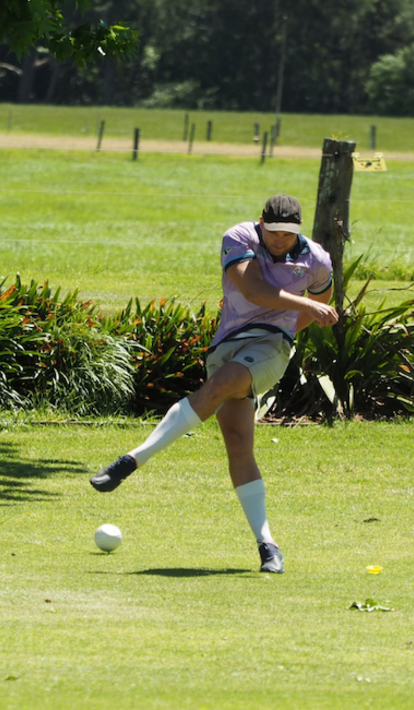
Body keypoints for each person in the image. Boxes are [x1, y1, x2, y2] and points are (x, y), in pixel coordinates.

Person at [90, 193, 339, 573]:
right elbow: (253, 290)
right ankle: (268, 546)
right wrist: (305, 306)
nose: (278, 240)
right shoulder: (239, 238)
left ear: (298, 231)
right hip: (227, 344)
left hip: (270, 348)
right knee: (239, 445)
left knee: (224, 383)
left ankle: (131, 460)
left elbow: (322, 304)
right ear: (261, 223)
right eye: (272, 232)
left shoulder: (317, 260)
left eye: (287, 235)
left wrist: (285, 335)